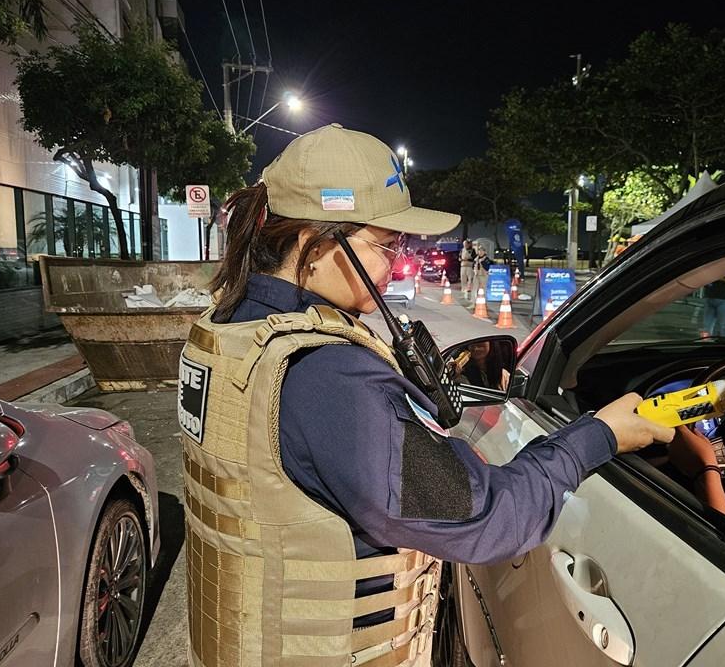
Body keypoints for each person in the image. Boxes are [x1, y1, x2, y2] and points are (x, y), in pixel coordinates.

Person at [178, 123, 674, 667]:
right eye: (385, 246)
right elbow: (485, 521)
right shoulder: (328, 374)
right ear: (315, 244)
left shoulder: (230, 329)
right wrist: (600, 436)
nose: (392, 268)